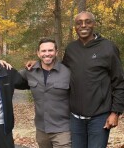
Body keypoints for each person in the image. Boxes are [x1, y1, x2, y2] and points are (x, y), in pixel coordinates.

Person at [62, 11, 124, 148]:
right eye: (79, 23)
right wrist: (37, 64)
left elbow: (119, 82)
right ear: (75, 27)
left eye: (87, 21)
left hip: (99, 117)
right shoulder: (71, 49)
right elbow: (59, 72)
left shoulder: (108, 47)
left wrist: (115, 112)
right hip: (75, 118)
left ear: (94, 24)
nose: (83, 25)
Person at [20, 38, 71, 148]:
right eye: (43, 51)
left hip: (63, 130)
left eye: (50, 50)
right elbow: (10, 77)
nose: (47, 54)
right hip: (41, 130)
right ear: (38, 53)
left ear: (56, 52)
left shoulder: (68, 72)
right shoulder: (30, 71)